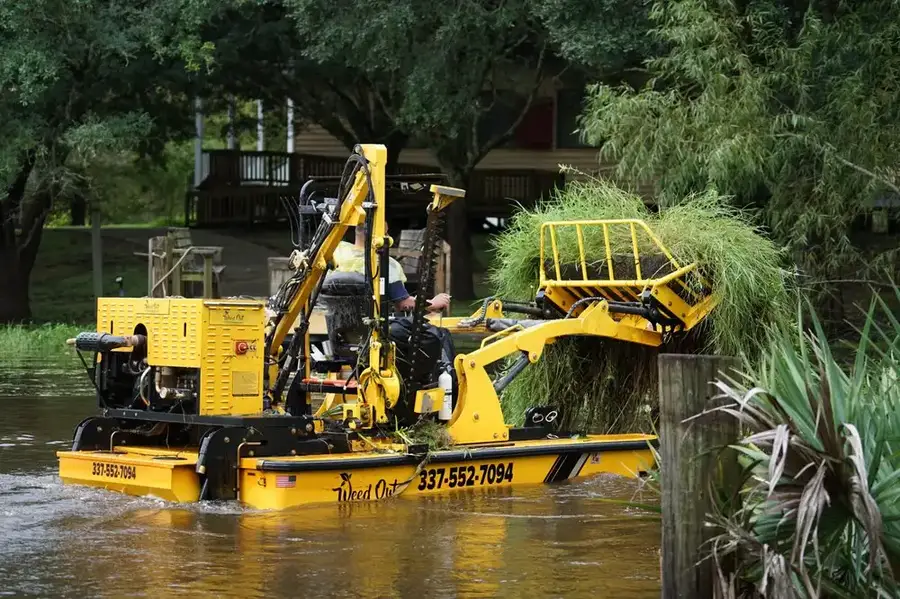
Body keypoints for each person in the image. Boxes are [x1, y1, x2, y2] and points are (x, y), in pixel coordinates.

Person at [333, 227, 451, 314]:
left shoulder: (336, 253)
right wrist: (434, 303)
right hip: (373, 328)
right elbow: (403, 304)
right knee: (439, 335)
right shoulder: (386, 264)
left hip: (334, 325)